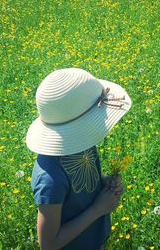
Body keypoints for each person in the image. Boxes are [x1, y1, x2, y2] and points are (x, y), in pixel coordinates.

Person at [26, 68, 132, 250]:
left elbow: (80, 185)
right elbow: (48, 244)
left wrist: (102, 183)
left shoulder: (81, 142)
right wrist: (97, 210)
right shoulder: (50, 179)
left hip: (94, 239)